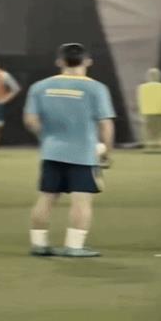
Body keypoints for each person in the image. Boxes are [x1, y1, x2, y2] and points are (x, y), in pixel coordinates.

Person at [23, 43, 116, 257]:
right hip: (83, 153)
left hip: (52, 151)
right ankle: (74, 247)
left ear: (60, 61)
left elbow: (30, 120)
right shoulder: (96, 88)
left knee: (46, 197)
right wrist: (107, 152)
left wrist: (46, 137)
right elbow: (106, 125)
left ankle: (39, 244)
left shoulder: (39, 87)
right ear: (87, 61)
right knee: (81, 200)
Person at [137, 68, 161, 152]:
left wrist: (140, 114)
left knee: (149, 132)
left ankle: (150, 147)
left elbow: (140, 101)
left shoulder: (142, 87)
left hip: (148, 112)